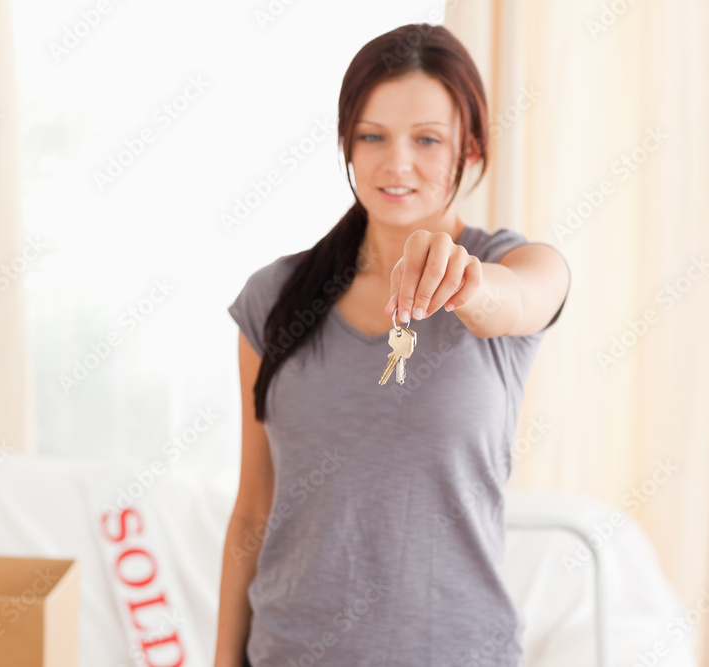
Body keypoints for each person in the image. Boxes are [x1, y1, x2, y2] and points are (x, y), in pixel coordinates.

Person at [213, 22, 571, 667]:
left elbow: (520, 299)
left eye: (427, 139)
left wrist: (466, 282)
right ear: (346, 144)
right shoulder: (274, 297)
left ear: (471, 149)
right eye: (372, 135)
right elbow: (253, 513)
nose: (396, 163)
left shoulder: (509, 266)